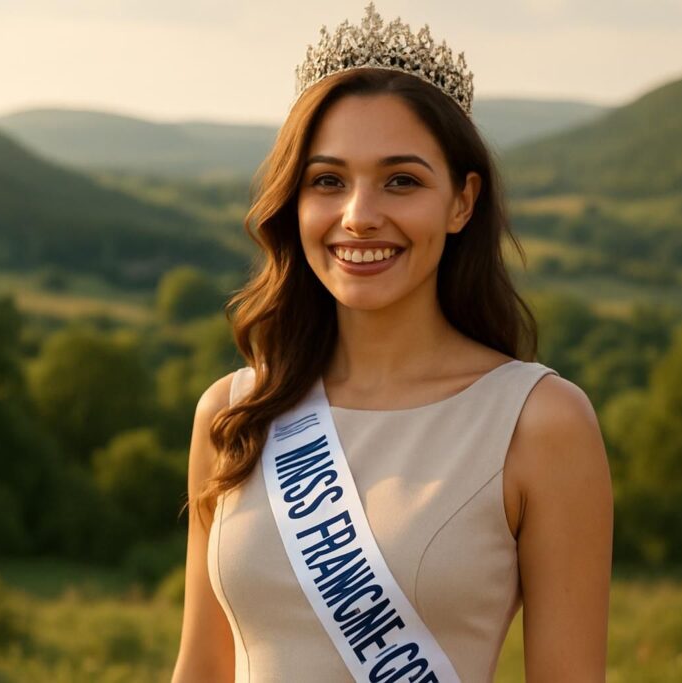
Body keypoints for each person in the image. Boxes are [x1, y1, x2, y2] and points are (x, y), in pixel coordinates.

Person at [171, 4, 612, 682]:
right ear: (295, 201)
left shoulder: (540, 422)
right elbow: (202, 666)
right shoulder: (235, 413)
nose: (359, 216)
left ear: (462, 201)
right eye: (328, 181)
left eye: (401, 180)